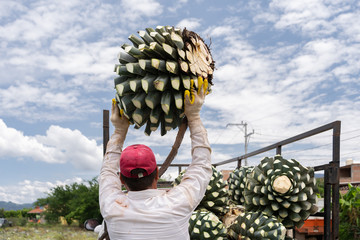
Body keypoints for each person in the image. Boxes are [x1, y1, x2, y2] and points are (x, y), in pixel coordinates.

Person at [99, 77, 212, 240]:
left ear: (122, 179)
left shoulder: (112, 207)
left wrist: (119, 131)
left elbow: (107, 172)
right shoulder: (178, 203)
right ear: (157, 174)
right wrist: (193, 116)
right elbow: (202, 166)